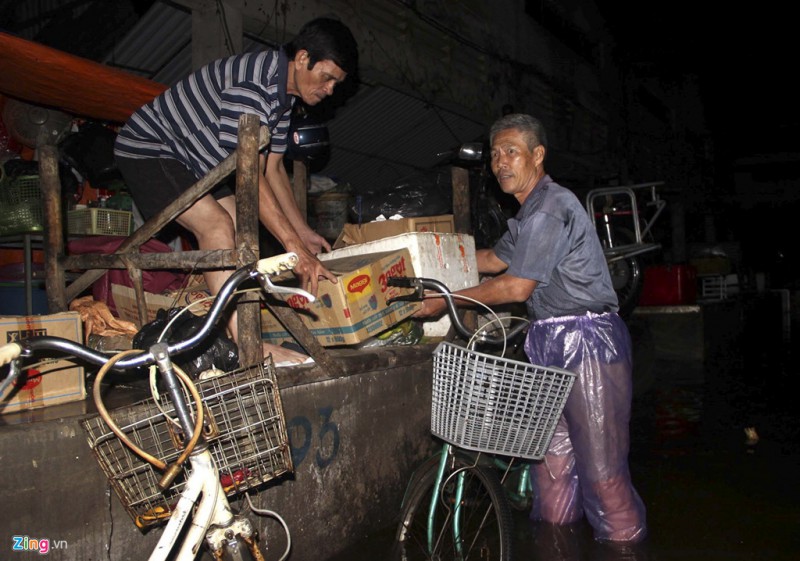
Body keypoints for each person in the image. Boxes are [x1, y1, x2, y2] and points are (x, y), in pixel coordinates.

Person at [414, 113, 647, 543]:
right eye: (496, 154)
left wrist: (445, 300)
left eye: (512, 152)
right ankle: (558, 547)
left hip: (587, 340)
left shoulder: (552, 208)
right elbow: (494, 260)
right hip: (548, 343)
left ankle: (625, 548)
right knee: (551, 473)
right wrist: (426, 251)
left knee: (603, 474)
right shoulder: (530, 213)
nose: (501, 162)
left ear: (537, 156)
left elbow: (517, 285)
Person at [114, 17, 358, 364]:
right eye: (328, 77)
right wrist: (291, 245)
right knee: (216, 226)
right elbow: (249, 180)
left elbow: (272, 169)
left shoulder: (284, 99)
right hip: (149, 148)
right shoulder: (254, 86)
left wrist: (301, 233)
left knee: (240, 237)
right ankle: (245, 344)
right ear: (303, 58)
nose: (330, 89)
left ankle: (242, 331)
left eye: (337, 82)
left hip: (193, 160)